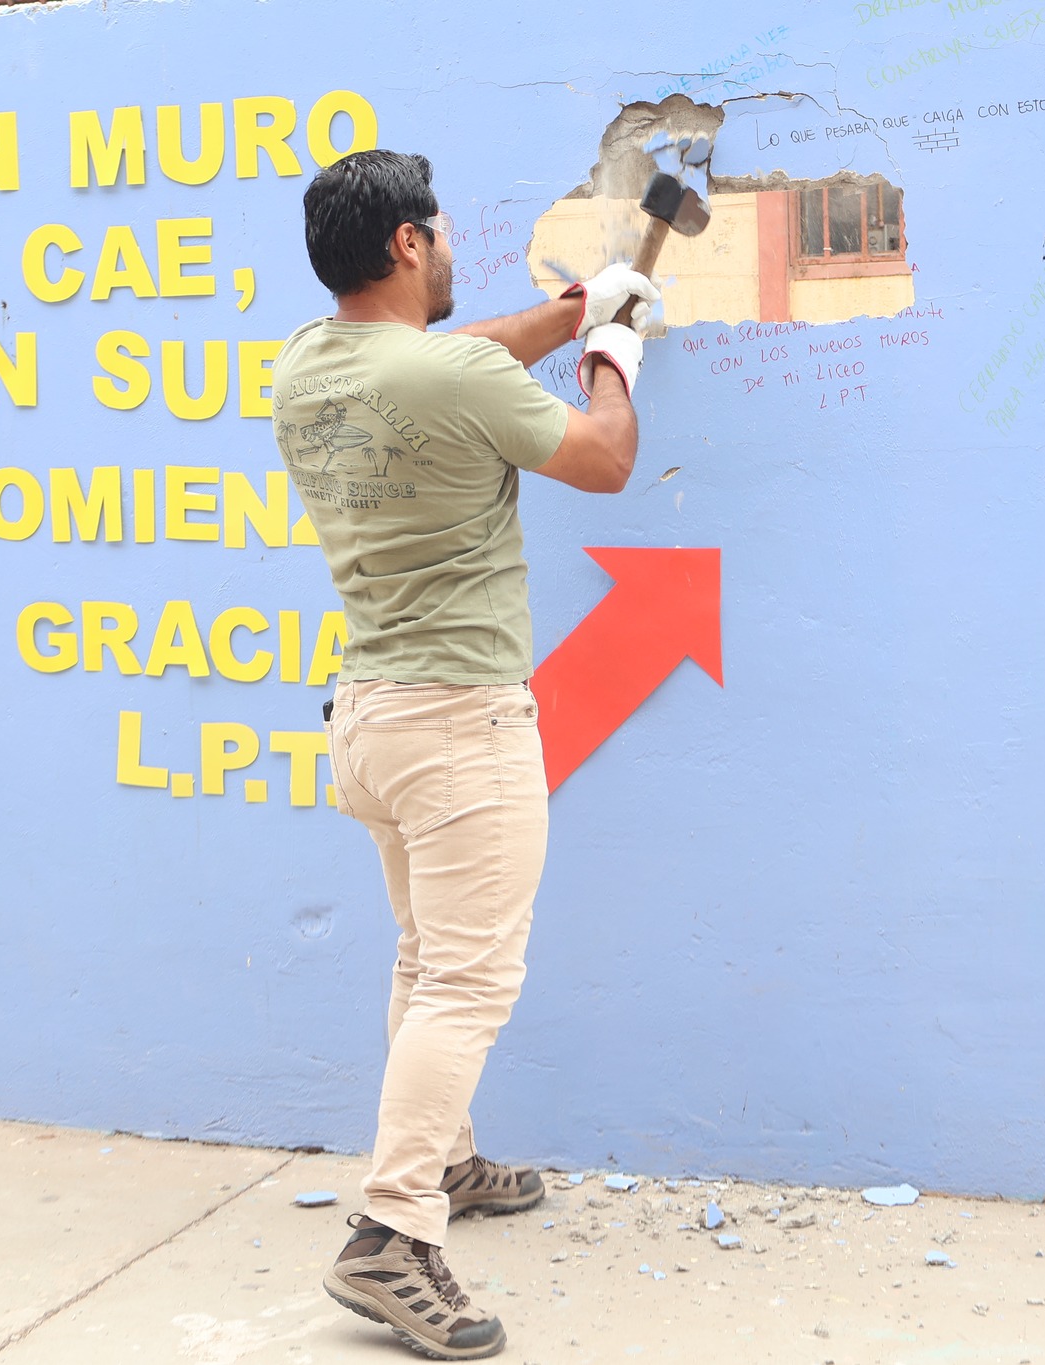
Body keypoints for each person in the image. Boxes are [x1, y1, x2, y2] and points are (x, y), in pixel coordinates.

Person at [272, 149, 656, 1361]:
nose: (449, 250)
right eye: (437, 234)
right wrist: (611, 354)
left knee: (427, 958)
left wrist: (568, 305)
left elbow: (461, 355)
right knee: (467, 985)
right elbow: (602, 461)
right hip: (459, 726)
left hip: (371, 722)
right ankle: (391, 1235)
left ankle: (442, 1157)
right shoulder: (447, 375)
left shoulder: (307, 362)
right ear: (404, 246)